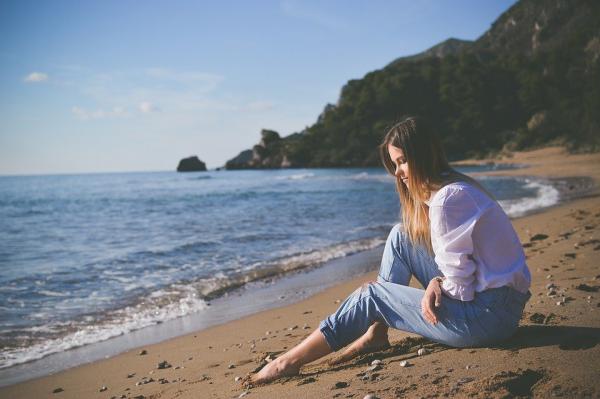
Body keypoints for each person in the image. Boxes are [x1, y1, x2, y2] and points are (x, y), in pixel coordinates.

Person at [249, 116, 532, 385]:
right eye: (395, 163)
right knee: (401, 236)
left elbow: (461, 290)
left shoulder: (448, 200)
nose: (397, 172)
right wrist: (439, 282)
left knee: (372, 295)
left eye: (403, 161)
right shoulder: (456, 188)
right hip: (498, 307)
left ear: (423, 155)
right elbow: (467, 275)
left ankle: (287, 362)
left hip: (486, 319)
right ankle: (376, 333)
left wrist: (437, 282)